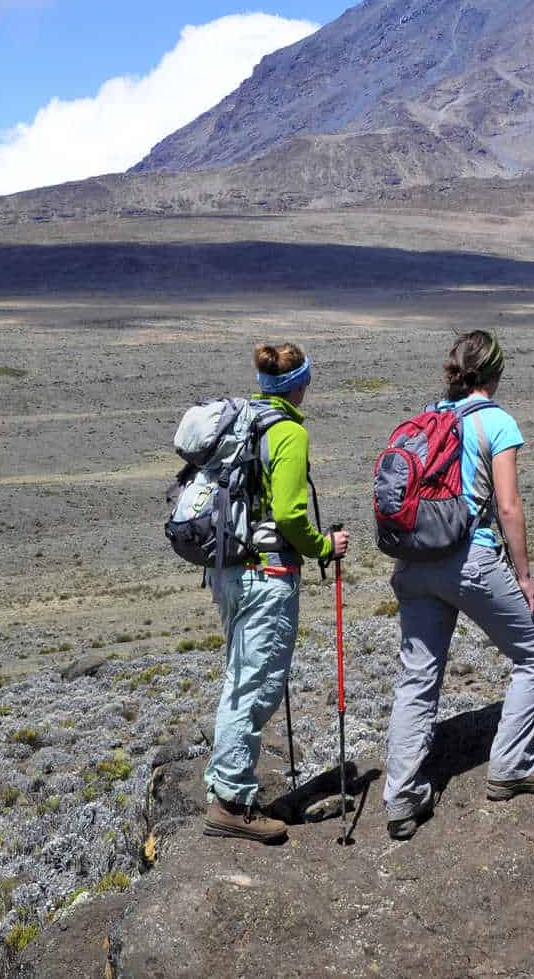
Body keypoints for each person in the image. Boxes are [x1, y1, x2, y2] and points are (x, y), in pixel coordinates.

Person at [383, 330, 534, 839]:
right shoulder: (495, 422)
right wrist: (524, 577)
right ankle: (512, 765)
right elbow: (508, 506)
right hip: (469, 560)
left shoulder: (430, 417)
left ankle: (400, 797)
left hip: (414, 563)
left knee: (417, 679)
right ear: (495, 373)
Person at [203, 342, 351, 843]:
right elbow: (289, 514)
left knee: (239, 678)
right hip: (267, 574)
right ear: (300, 385)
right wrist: (323, 545)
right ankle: (231, 804)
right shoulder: (287, 432)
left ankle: (226, 790)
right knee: (256, 687)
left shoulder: (244, 422)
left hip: (228, 571)